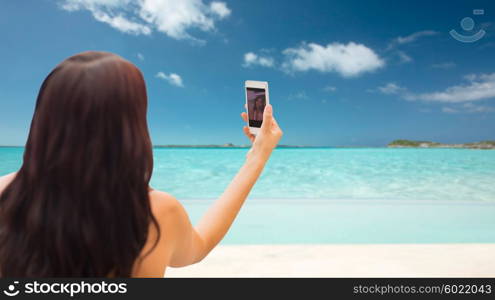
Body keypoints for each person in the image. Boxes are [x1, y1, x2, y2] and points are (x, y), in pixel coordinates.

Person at [0, 51, 282, 277]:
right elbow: (198, 247)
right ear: (131, 126)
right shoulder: (156, 212)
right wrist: (257, 157)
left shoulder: (4, 194)